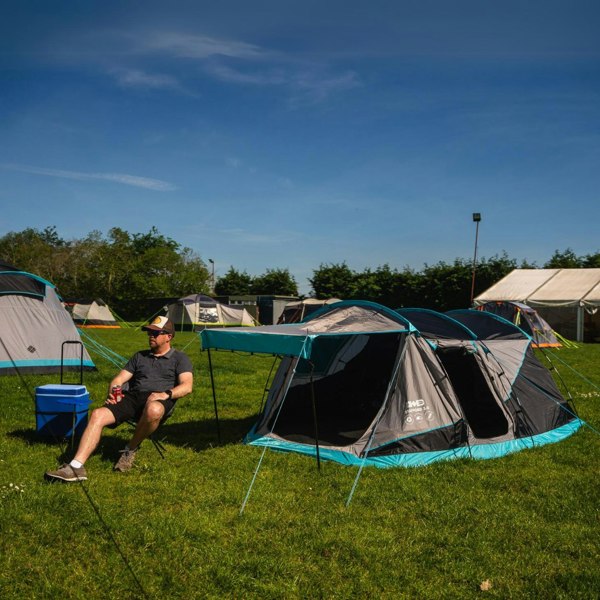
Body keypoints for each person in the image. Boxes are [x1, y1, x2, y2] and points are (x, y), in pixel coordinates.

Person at [45, 316, 193, 482]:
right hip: (133, 397)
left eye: (155, 333)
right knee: (97, 415)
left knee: (154, 409)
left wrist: (165, 394)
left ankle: (130, 449)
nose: (150, 335)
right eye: (149, 332)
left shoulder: (180, 358)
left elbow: (187, 386)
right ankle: (76, 466)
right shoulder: (140, 356)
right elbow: (118, 380)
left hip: (159, 399)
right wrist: (114, 393)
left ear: (168, 336)